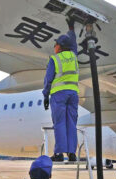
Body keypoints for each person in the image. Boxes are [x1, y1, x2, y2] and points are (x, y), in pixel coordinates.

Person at [42, 18, 79, 162]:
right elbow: (73, 43)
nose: (55, 46)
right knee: (71, 123)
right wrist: (71, 28)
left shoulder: (55, 59)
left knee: (59, 123)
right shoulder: (74, 56)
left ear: (61, 46)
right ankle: (72, 153)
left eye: (56, 44)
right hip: (73, 94)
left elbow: (48, 80)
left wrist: (45, 95)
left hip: (59, 95)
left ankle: (58, 153)